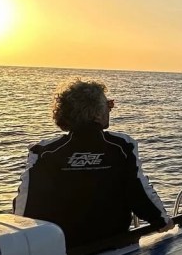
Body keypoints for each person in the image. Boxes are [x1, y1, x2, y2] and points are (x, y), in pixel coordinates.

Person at [13, 79, 172, 250]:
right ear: (96, 113)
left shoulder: (44, 152)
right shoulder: (121, 147)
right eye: (109, 105)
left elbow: (26, 207)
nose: (110, 110)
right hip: (115, 246)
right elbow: (138, 192)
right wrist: (162, 221)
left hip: (64, 248)